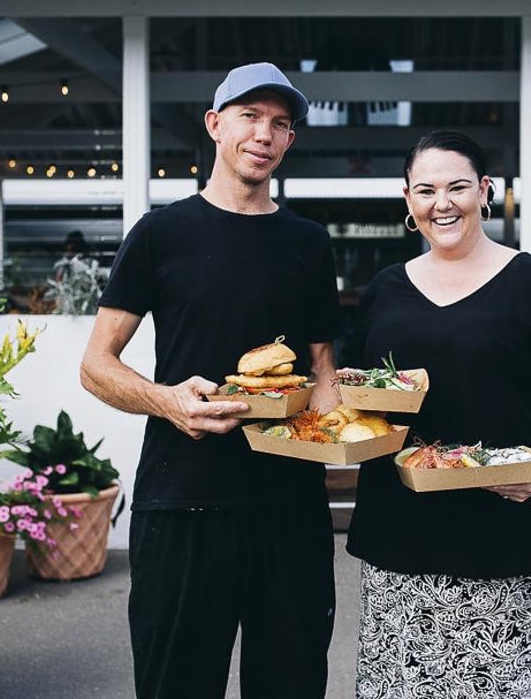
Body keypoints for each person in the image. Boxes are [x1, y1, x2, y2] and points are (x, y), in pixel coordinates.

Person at [80, 62, 342, 699]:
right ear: (215, 124)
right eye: (250, 116)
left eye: (280, 124)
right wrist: (168, 402)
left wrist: (353, 429)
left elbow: (322, 372)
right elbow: (96, 365)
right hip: (183, 502)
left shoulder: (309, 243)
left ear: (289, 142)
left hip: (290, 509)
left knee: (291, 685)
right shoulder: (160, 235)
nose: (264, 134)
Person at [345, 130, 531, 699]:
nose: (443, 203)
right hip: (401, 537)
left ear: (485, 191)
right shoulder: (385, 290)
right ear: (408, 202)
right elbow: (359, 398)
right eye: (426, 190)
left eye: (458, 186)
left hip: (508, 534)